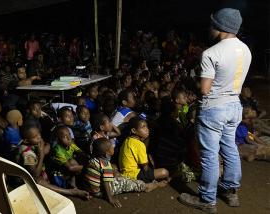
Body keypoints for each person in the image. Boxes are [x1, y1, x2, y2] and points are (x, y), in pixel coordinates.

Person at [179, 8, 252, 214]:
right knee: (229, 148)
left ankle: (207, 200)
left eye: (212, 24)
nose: (209, 28)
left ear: (220, 27)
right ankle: (230, 192)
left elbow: (204, 89)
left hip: (214, 108)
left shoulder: (211, 53)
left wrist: (192, 79)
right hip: (234, 106)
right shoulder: (246, 50)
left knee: (210, 155)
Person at [85, 138, 163, 208]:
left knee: (118, 174)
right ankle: (146, 186)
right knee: (125, 182)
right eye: (111, 147)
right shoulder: (105, 165)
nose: (113, 147)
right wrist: (111, 199)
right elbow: (106, 183)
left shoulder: (93, 159)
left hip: (90, 187)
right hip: (100, 192)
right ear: (106, 153)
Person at [18, 126, 90, 199]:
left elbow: (47, 147)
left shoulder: (36, 142)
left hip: (41, 170)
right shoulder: (27, 154)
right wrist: (42, 155)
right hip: (28, 179)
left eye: (39, 134)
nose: (39, 137)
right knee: (38, 181)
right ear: (26, 141)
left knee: (71, 161)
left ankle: (73, 185)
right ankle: (71, 192)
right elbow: (35, 174)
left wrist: (43, 150)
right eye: (35, 136)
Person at [118, 117, 170, 183]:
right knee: (164, 172)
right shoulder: (139, 144)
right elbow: (145, 168)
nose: (147, 129)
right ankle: (167, 182)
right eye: (143, 127)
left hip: (125, 173)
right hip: (134, 175)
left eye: (147, 127)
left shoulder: (128, 140)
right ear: (134, 130)